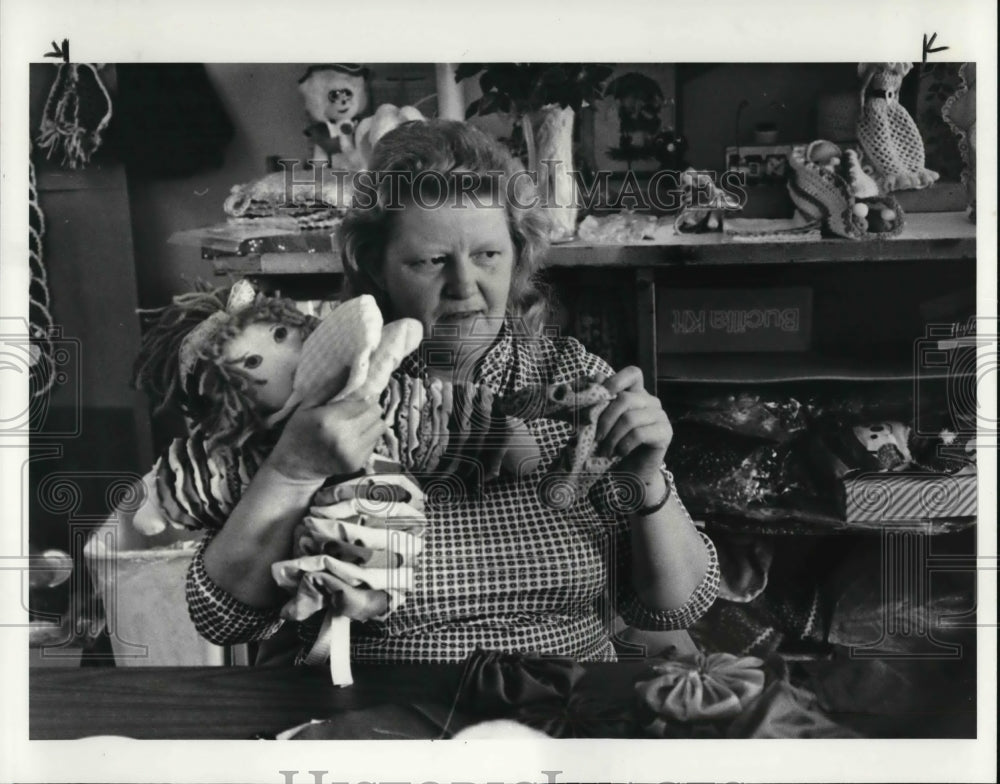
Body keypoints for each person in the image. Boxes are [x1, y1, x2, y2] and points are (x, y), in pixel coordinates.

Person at [187, 119, 719, 663]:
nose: (465, 287)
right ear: (375, 265)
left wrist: (646, 482)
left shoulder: (573, 377)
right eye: (432, 261)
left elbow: (673, 610)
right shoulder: (311, 388)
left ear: (519, 254)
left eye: (487, 255)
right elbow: (223, 619)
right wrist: (291, 469)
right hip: (383, 711)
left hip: (560, 701)